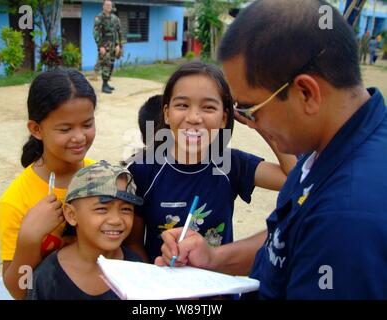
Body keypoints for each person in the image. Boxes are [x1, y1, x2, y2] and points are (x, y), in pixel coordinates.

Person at [156, 0, 387, 299]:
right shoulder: (329, 151)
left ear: (306, 92)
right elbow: (287, 238)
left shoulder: (347, 218)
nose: (251, 122)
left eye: (250, 109)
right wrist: (214, 259)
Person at [125, 61, 296, 263]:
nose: (194, 117)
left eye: (208, 107)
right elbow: (133, 243)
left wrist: (256, 120)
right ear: (167, 113)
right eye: (182, 105)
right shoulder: (143, 169)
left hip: (217, 291)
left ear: (224, 118)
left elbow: (294, 178)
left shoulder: (229, 163)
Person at [0, 68, 97, 299]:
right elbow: (18, 289)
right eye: (65, 129)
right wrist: (29, 239)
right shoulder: (15, 201)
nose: (79, 137)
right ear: (36, 129)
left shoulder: (100, 177)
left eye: (87, 124)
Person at [27, 160, 144, 300]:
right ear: (71, 215)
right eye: (102, 209)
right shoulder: (47, 276)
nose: (116, 220)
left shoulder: (136, 268)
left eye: (126, 209)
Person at [93, 0, 122, 94]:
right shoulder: (99, 18)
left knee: (111, 64)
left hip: (114, 45)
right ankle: (104, 85)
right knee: (106, 64)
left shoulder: (115, 18)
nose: (108, 6)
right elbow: (96, 33)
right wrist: (100, 46)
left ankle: (107, 83)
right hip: (104, 45)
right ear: (103, 6)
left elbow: (118, 32)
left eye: (110, 5)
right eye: (107, 5)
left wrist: (118, 45)